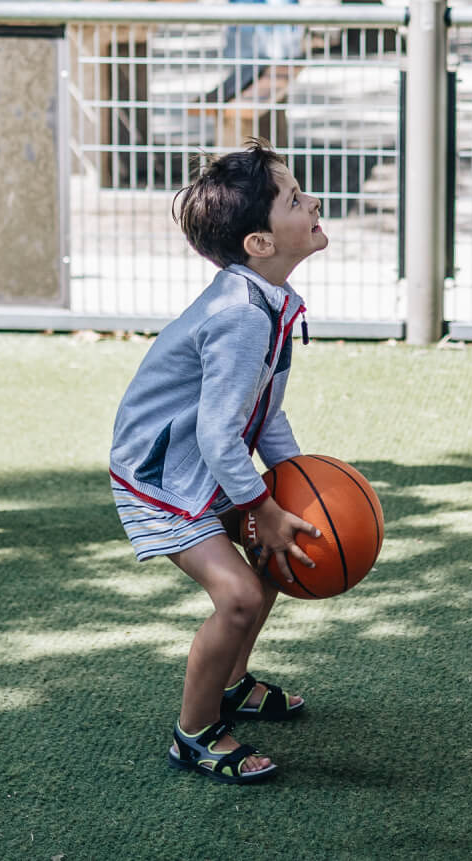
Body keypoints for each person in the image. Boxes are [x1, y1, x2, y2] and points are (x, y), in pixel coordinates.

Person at [107, 143, 326, 784]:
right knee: (238, 594)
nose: (312, 201)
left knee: (269, 567)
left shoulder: (266, 297)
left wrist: (298, 480)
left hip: (205, 460)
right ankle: (195, 732)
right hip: (164, 479)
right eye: (293, 199)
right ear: (260, 241)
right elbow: (216, 431)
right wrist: (263, 503)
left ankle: (232, 685)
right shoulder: (241, 316)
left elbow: (259, 413)